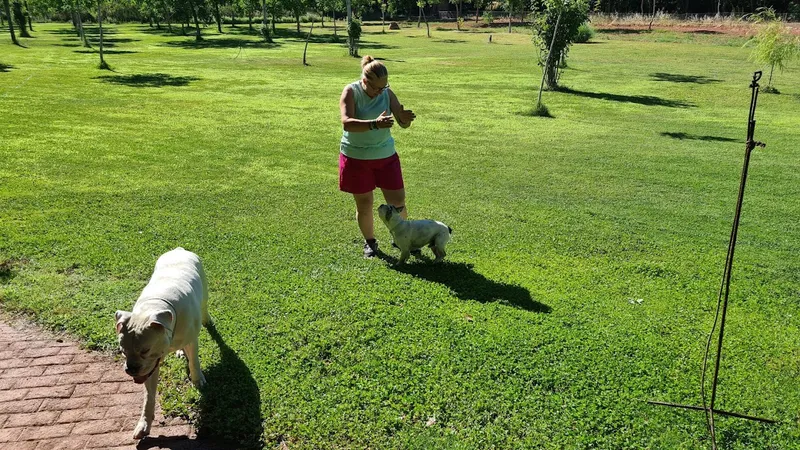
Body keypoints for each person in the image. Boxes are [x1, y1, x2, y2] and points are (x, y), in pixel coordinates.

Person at [339, 55, 417, 258]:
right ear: (365, 82)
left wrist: (405, 119)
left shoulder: (387, 93)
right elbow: (347, 123)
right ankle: (370, 242)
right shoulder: (351, 91)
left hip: (385, 156)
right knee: (364, 204)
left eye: (384, 87)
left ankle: (401, 237)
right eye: (376, 88)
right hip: (357, 157)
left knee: (398, 203)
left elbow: (402, 122)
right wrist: (374, 123)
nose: (380, 92)